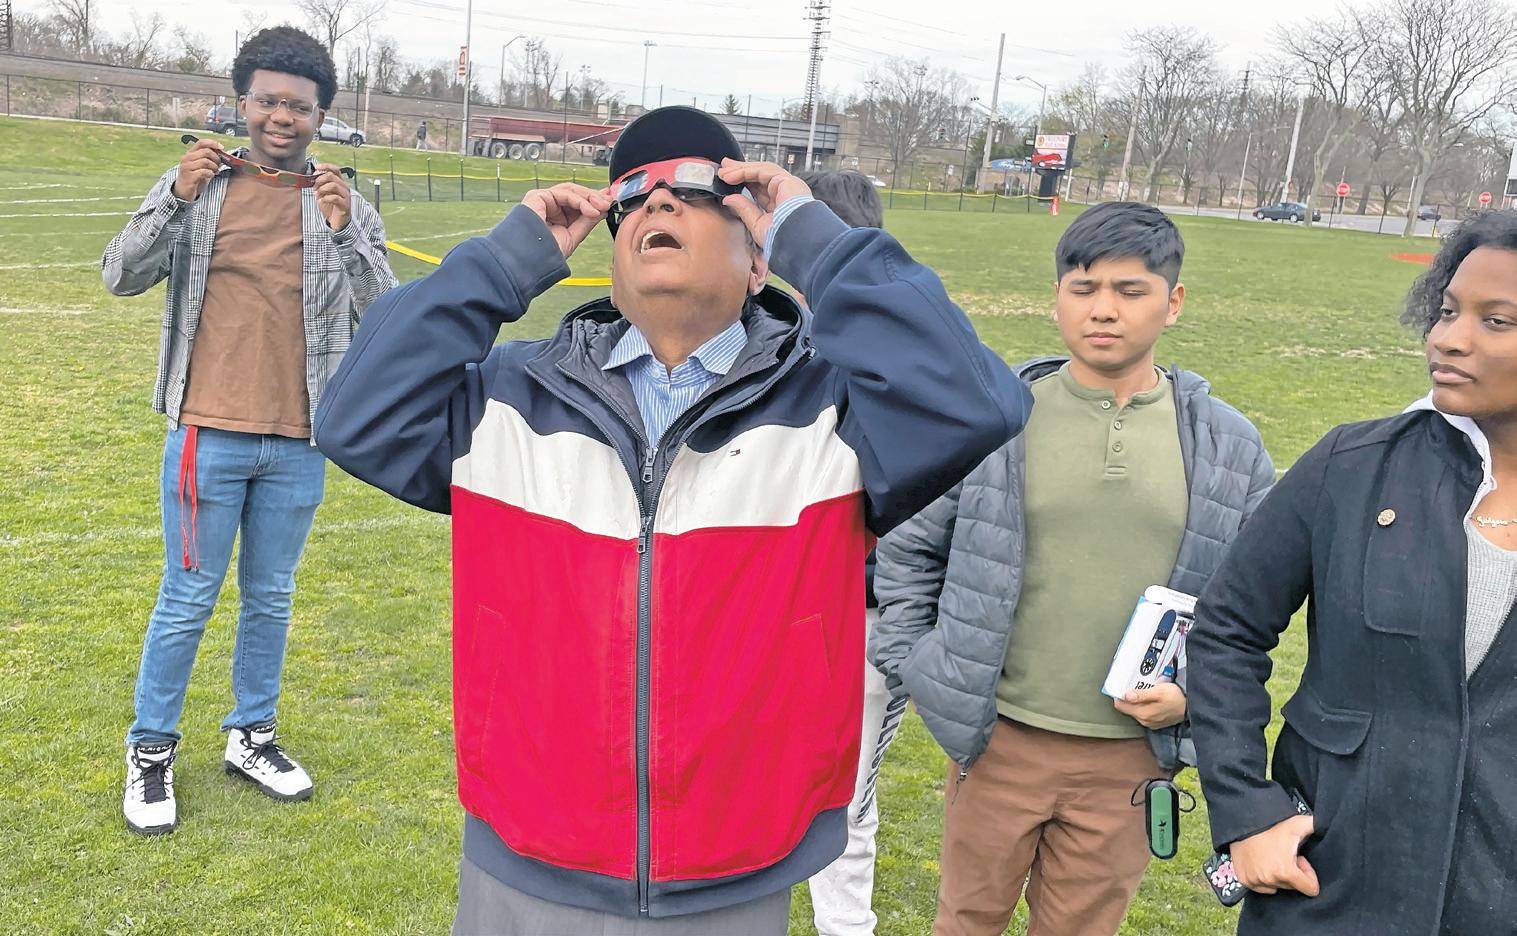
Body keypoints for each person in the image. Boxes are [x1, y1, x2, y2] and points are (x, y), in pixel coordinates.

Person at [313, 105, 1030, 934]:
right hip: (525, 856)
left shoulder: (834, 412)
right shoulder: (504, 399)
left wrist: (815, 240)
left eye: (693, 193)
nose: (655, 202)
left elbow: (974, 401)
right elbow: (354, 417)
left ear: (757, 262)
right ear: (612, 263)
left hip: (735, 868)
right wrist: (505, 262)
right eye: (631, 199)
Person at [872, 201, 1275, 936]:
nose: (1103, 309)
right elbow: (909, 548)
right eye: (1083, 288)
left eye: (1130, 290)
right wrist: (921, 666)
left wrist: (1191, 693)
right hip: (998, 744)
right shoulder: (994, 418)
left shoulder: (1228, 445)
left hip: (1129, 762)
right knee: (964, 922)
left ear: (1173, 303)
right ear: (1057, 296)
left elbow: (1255, 606)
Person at [102, 25, 398, 837]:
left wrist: (346, 233)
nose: (281, 117)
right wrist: (174, 197)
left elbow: (387, 316)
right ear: (242, 104)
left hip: (300, 439)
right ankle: (151, 750)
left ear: (320, 117)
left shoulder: (342, 203)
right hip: (208, 433)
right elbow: (119, 274)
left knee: (270, 598)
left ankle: (251, 736)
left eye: (298, 106)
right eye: (268, 101)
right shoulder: (199, 186)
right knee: (187, 598)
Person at [1189, 211, 1517, 934]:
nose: (1448, 338)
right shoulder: (1352, 467)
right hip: (1332, 889)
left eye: (1495, 321)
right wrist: (1246, 810)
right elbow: (1225, 630)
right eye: (1447, 311)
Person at [799, 169, 906, 936]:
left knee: (841, 799)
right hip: (767, 610)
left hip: (861, 620)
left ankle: (845, 928)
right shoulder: (754, 341)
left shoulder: (899, 359)